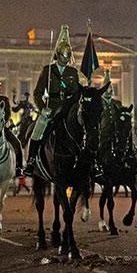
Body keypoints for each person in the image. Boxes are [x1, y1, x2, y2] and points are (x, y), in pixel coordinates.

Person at [24, 25, 81, 176]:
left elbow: (76, 93)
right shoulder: (47, 70)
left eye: (68, 56)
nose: (66, 59)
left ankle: (91, 163)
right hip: (52, 106)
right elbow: (37, 93)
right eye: (64, 56)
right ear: (58, 55)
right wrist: (43, 108)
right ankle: (31, 161)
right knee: (38, 129)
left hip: (68, 107)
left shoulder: (72, 72)